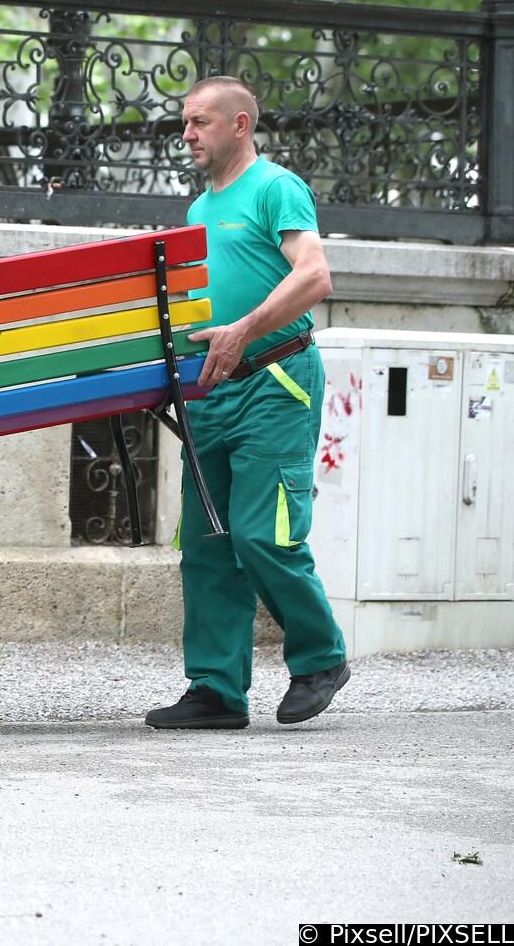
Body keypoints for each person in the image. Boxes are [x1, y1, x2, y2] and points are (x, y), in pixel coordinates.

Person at [145, 75, 349, 730]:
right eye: (184, 122)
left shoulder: (275, 188)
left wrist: (244, 330)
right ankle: (216, 691)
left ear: (239, 124)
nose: (186, 134)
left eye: (199, 121)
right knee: (207, 542)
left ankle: (321, 658)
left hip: (274, 380)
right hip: (210, 390)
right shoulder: (199, 211)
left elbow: (314, 274)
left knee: (264, 532)